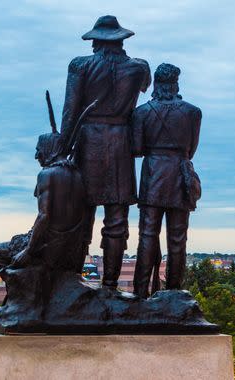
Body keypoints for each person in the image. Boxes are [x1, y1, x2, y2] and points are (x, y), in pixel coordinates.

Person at [61, 15, 150, 289]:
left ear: (96, 41)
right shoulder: (139, 68)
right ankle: (110, 283)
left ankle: (73, 279)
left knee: (81, 212)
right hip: (121, 141)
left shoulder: (80, 66)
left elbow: (70, 110)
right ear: (120, 41)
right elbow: (146, 89)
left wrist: (63, 148)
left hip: (89, 141)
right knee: (117, 217)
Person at [132, 63, 202, 298]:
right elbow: (191, 150)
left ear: (157, 84)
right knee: (178, 237)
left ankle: (140, 291)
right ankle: (173, 290)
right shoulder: (193, 112)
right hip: (180, 176)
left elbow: (138, 148)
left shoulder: (141, 113)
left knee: (147, 234)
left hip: (152, 175)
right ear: (176, 83)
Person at [1, 128, 88, 274]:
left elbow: (44, 216)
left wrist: (28, 251)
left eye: (38, 150)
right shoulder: (78, 175)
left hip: (50, 244)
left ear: (49, 148)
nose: (36, 156)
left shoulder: (46, 175)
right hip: (72, 242)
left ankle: (28, 292)